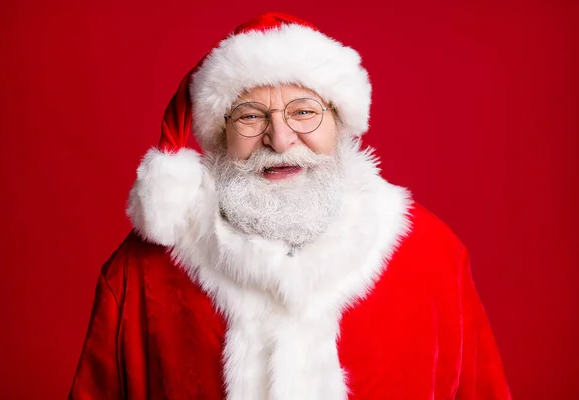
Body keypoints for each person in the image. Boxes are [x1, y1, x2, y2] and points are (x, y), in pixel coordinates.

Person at [69, 12, 511, 400]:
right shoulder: (141, 272)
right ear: (220, 134)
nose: (279, 140)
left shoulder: (432, 256)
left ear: (340, 122)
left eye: (303, 112)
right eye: (250, 115)